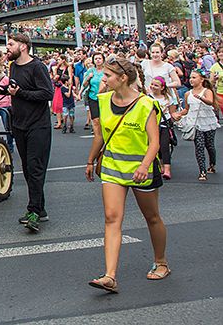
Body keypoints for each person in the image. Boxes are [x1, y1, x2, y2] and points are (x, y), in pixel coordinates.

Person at [85, 57, 168, 293]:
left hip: (141, 170)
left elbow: (154, 143)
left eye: (108, 75)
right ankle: (110, 276)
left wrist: (144, 166)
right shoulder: (102, 101)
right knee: (112, 218)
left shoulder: (146, 104)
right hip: (112, 167)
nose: (104, 79)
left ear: (122, 78)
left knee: (152, 217)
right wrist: (90, 160)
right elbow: (100, 135)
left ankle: (161, 262)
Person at [6, 33, 54, 232]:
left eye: (10, 44)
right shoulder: (13, 67)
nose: (7, 48)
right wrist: (3, 92)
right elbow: (17, 90)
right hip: (19, 124)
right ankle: (40, 209)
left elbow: (47, 93)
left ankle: (33, 211)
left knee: (35, 168)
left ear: (23, 46)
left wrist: (20, 93)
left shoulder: (37, 67)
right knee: (27, 169)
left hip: (38, 125)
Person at [177, 69, 219, 181]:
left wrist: (200, 98)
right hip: (195, 123)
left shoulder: (206, 91)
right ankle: (202, 171)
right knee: (199, 146)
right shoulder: (187, 94)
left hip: (208, 122)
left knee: (209, 145)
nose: (191, 80)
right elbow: (187, 109)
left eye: (194, 77)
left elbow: (210, 101)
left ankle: (212, 164)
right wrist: (178, 114)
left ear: (201, 79)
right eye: (190, 77)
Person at [147, 77, 177, 180]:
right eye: (152, 84)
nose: (153, 87)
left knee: (164, 146)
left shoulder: (167, 98)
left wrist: (176, 117)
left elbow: (173, 112)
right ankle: (159, 165)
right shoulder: (147, 97)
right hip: (152, 124)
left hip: (164, 123)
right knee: (154, 146)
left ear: (162, 87)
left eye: (156, 85)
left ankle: (167, 168)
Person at [81, 52, 106, 131]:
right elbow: (84, 84)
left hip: (105, 97)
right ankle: (97, 132)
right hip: (93, 97)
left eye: (99, 58)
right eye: (96, 59)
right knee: (95, 119)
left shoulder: (106, 71)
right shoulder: (91, 71)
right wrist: (88, 77)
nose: (98, 60)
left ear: (103, 60)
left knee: (104, 118)